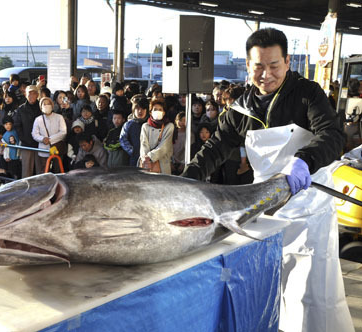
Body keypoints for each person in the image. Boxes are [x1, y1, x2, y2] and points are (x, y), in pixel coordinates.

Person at [182, 28, 349, 332]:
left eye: (274, 66)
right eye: (259, 66)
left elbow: (333, 135)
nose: (266, 74)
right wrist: (188, 178)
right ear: (248, 66)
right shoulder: (242, 108)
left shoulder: (307, 94)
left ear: (287, 62)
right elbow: (215, 147)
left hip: (309, 211)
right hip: (266, 211)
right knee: (270, 293)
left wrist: (305, 161)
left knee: (310, 298)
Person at [31, 97, 67, 174]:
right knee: (44, 169)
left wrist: (50, 139)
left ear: (52, 105)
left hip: (57, 148)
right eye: (44, 104)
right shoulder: (38, 119)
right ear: (41, 107)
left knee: (57, 169)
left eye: (48, 104)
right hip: (43, 148)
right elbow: (34, 134)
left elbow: (63, 132)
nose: (47, 106)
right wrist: (42, 139)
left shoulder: (59, 117)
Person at [139, 99, 174, 174]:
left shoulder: (169, 126)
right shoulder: (145, 126)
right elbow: (143, 144)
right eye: (155, 109)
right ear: (151, 112)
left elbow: (164, 146)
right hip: (147, 164)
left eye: (160, 109)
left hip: (163, 163)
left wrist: (150, 156)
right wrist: (145, 158)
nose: (157, 111)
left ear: (164, 112)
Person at [13, 85, 42, 178]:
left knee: (40, 169)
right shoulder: (21, 109)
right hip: (26, 143)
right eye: (30, 93)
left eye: (34, 93)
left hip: (40, 143)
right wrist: (24, 139)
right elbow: (17, 126)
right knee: (26, 169)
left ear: (38, 95)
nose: (32, 96)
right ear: (26, 94)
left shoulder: (42, 107)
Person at [120, 95, 149, 166]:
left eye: (143, 109)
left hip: (149, 157)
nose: (140, 111)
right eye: (137, 108)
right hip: (134, 158)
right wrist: (132, 150)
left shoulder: (150, 123)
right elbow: (123, 139)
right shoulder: (129, 124)